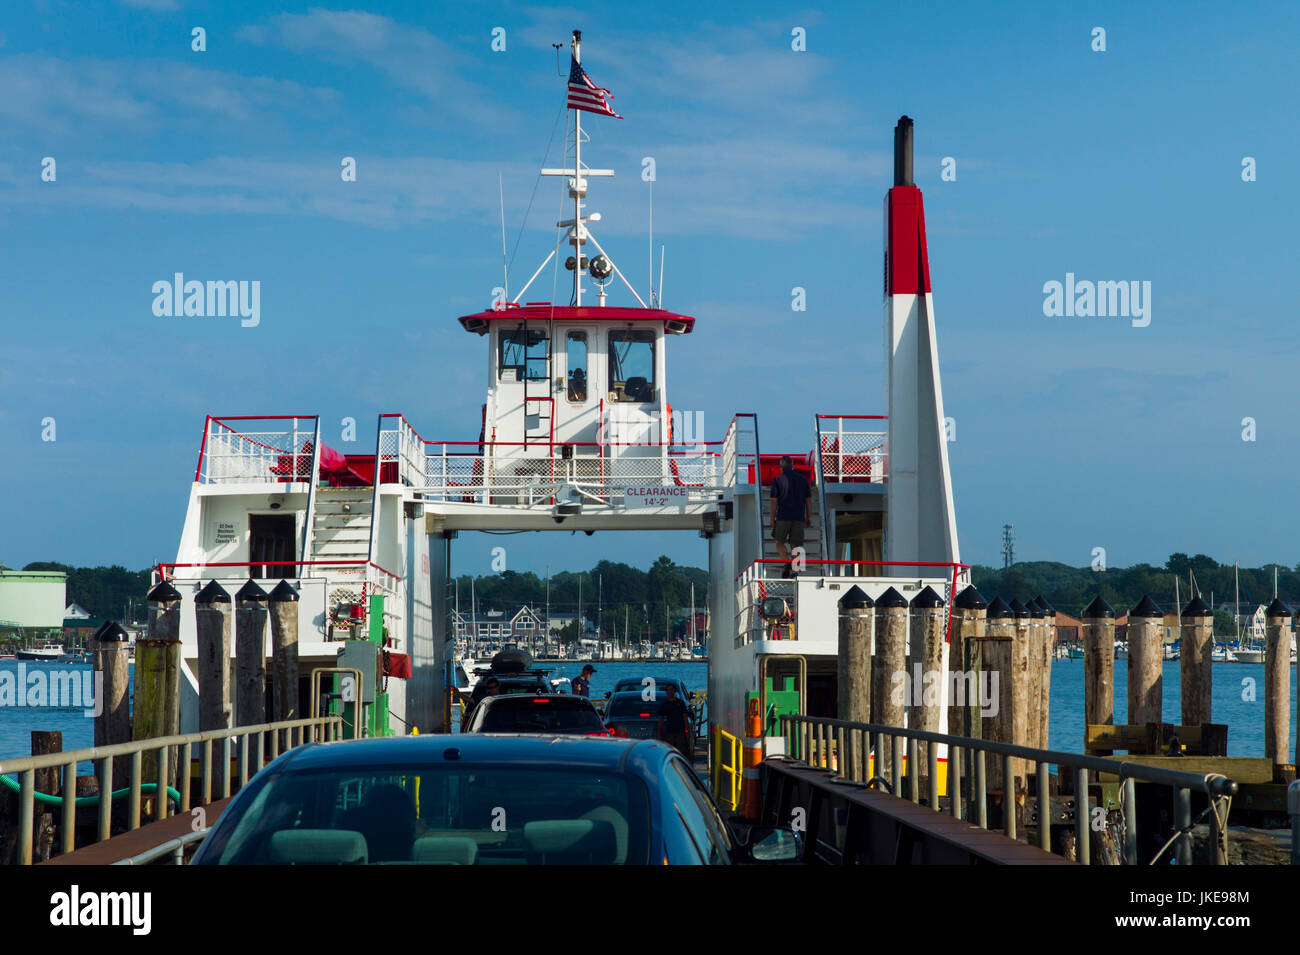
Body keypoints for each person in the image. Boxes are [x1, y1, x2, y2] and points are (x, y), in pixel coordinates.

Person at [770, 455, 812, 576]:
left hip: (783, 516)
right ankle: (796, 569)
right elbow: (808, 500)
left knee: (779, 542)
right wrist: (808, 517)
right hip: (798, 517)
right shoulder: (803, 480)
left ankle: (787, 562)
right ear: (793, 466)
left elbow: (774, 501)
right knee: (796, 544)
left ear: (781, 467)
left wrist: (772, 519)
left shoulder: (777, 480)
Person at [657, 683, 692, 756]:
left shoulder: (680, 703)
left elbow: (685, 718)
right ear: (666, 692)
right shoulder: (664, 704)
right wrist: (659, 734)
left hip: (680, 732)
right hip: (669, 733)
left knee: (681, 753)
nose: (670, 692)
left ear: (675, 691)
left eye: (671, 690)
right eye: (668, 690)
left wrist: (687, 732)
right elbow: (661, 720)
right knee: (670, 752)